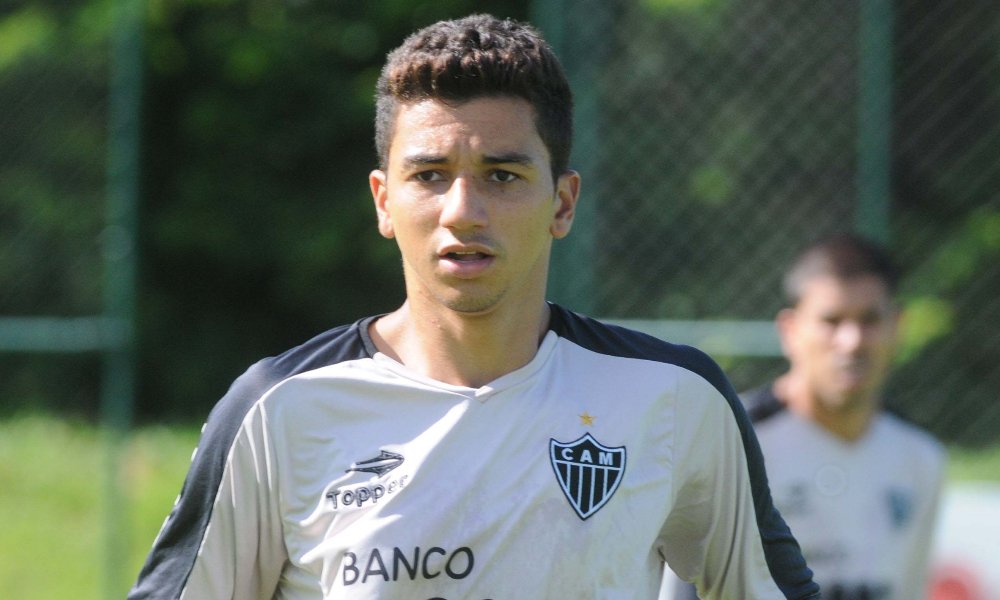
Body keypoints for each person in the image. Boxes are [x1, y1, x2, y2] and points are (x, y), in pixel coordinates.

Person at [128, 14, 819, 599]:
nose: (463, 210)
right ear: (383, 202)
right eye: (429, 176)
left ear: (563, 202)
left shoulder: (672, 397)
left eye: (503, 175)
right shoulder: (279, 409)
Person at [666, 234, 945, 599]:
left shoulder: (920, 457)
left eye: (870, 319)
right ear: (790, 331)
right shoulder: (728, 440)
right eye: (832, 321)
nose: (852, 341)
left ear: (897, 325)